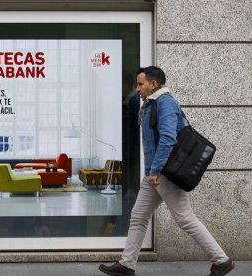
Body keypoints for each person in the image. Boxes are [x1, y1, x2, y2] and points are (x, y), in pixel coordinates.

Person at [99, 66, 234, 276]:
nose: (137, 89)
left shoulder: (165, 102)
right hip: (154, 173)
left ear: (153, 84)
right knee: (138, 217)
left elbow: (168, 138)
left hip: (164, 173)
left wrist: (155, 170)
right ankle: (127, 264)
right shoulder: (151, 103)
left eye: (141, 84)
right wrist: (151, 171)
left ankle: (221, 260)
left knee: (185, 218)